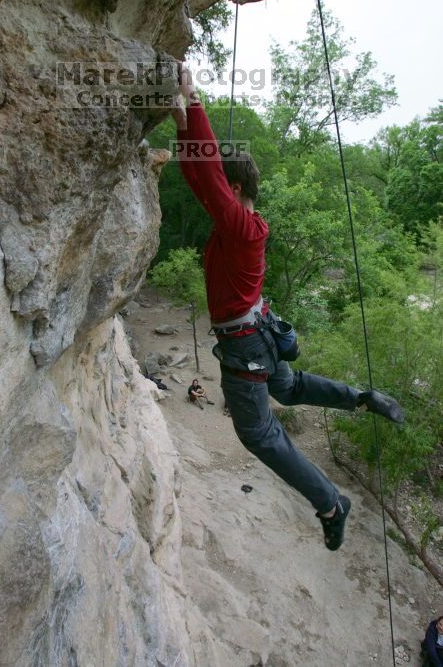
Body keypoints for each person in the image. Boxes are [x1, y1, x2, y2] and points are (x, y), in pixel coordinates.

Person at [171, 64, 404, 551]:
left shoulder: (238, 227)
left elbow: (207, 175)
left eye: (222, 189)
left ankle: (331, 503)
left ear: (234, 191)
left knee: (258, 434)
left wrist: (194, 100)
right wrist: (180, 123)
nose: (215, 195)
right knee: (291, 387)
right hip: (260, 333)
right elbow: (200, 177)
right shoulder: (241, 227)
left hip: (247, 344)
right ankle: (361, 398)